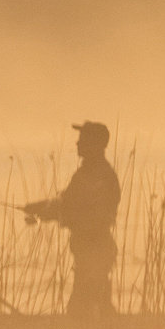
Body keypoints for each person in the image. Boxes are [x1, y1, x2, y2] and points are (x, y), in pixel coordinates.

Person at [24, 120, 120, 316]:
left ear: (95, 144)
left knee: (81, 308)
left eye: (83, 139)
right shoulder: (91, 173)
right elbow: (69, 204)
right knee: (98, 304)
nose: (77, 143)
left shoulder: (96, 175)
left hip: (94, 247)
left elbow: (73, 207)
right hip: (93, 247)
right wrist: (41, 210)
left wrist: (41, 212)